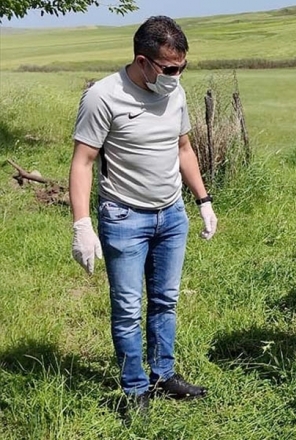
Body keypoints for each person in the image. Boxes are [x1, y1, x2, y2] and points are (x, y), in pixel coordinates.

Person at [69, 16, 218, 416]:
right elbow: (83, 161)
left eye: (182, 67)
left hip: (171, 215)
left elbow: (183, 148)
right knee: (128, 309)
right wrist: (82, 224)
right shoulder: (103, 97)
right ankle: (135, 388)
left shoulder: (175, 92)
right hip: (124, 218)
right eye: (169, 69)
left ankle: (163, 375)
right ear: (142, 61)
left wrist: (203, 200)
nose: (176, 76)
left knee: (166, 301)